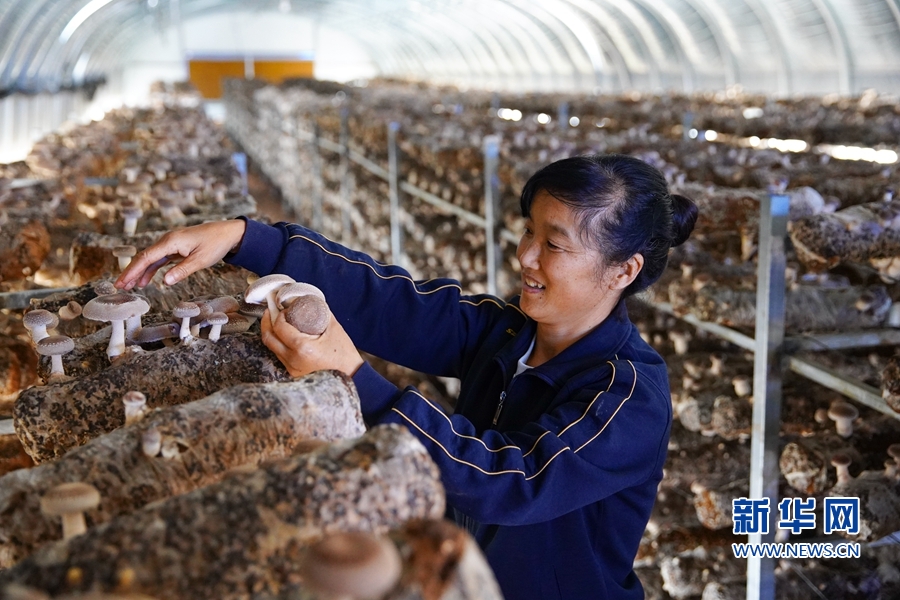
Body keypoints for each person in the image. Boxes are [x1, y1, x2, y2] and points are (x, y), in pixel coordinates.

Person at [117, 153, 698, 600]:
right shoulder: (506, 332)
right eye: (528, 231)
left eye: (554, 244)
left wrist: (353, 377)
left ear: (623, 270)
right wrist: (248, 238)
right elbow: (391, 302)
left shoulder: (628, 394)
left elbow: (509, 480)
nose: (525, 256)